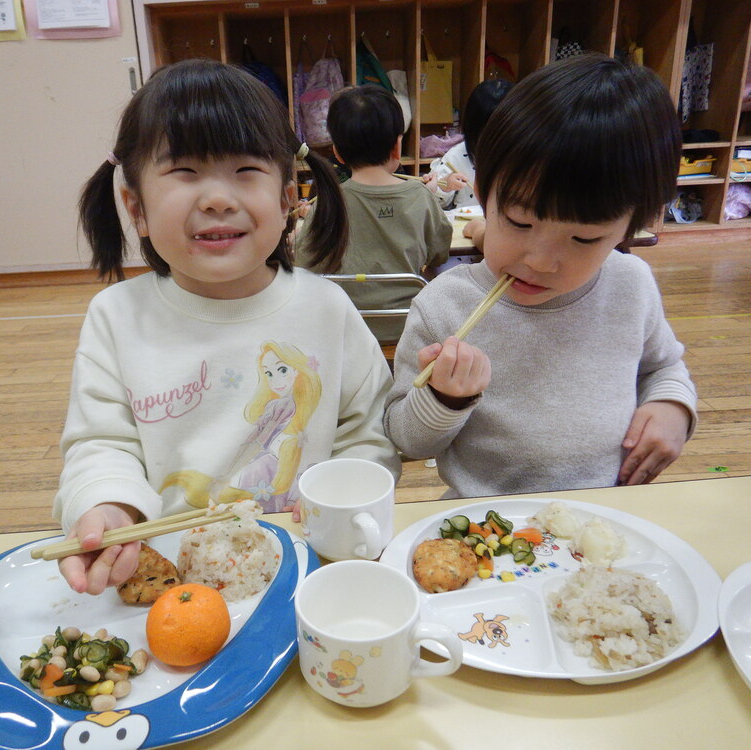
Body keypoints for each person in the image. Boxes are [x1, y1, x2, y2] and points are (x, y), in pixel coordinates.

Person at [57, 59, 401, 595]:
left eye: (245, 170)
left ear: (287, 200)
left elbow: (367, 432)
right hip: (172, 571)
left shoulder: (326, 309)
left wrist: (344, 497)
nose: (218, 198)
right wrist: (109, 506)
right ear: (136, 207)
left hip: (305, 563)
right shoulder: (117, 317)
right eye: (185, 171)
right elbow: (102, 442)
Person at [384, 54, 697, 499]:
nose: (541, 262)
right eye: (519, 222)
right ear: (483, 193)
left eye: (584, 238)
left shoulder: (631, 285)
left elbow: (663, 366)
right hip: (482, 524)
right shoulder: (445, 305)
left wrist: (671, 405)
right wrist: (445, 398)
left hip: (601, 514)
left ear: (633, 227)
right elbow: (407, 440)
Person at [296, 84, 451, 343]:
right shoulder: (421, 195)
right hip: (406, 328)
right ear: (397, 146)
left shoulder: (327, 202)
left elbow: (305, 265)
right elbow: (440, 253)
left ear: (337, 152)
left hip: (345, 328)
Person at [424, 79, 513, 212]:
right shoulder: (457, 156)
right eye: (487, 133)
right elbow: (434, 205)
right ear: (473, 129)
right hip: (465, 223)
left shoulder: (526, 158)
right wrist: (444, 186)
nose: (496, 141)